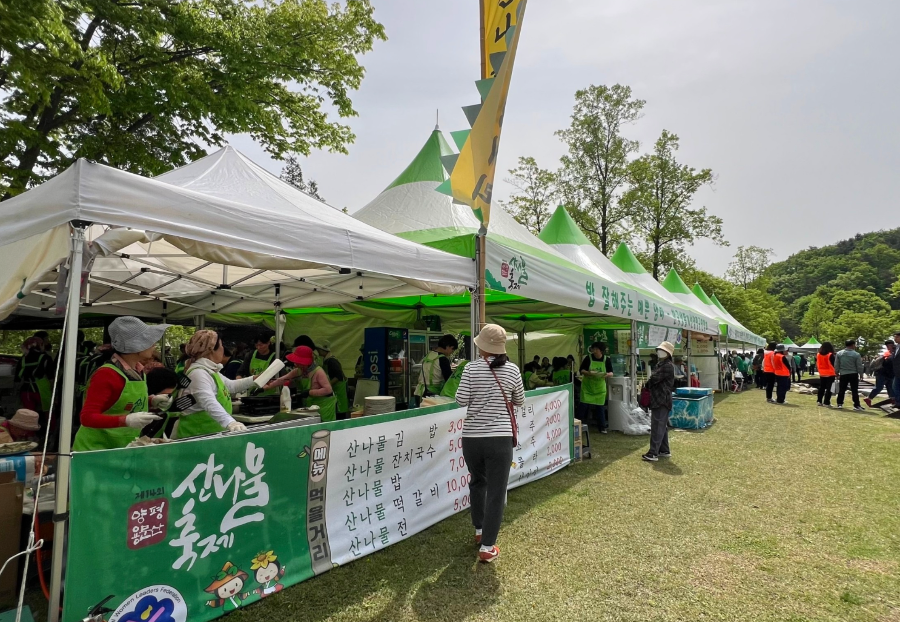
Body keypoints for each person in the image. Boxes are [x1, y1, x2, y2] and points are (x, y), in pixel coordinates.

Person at [455, 324, 524, 563]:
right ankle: (488, 546)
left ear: (482, 346)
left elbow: (460, 400)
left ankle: (478, 531)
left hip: (472, 437)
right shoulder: (513, 370)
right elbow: (520, 400)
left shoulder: (470, 369)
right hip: (500, 439)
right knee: (496, 491)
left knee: (477, 482)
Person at [73, 317, 169, 451]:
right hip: (95, 450)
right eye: (148, 340)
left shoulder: (138, 370)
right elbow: (87, 417)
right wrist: (126, 421)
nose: (154, 344)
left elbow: (120, 401)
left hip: (121, 447)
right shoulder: (106, 374)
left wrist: (152, 400)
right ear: (135, 345)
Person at [173, 330, 258, 438]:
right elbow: (208, 401)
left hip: (210, 437)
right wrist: (230, 422)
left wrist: (255, 379)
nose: (223, 350)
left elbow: (231, 386)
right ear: (212, 350)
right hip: (196, 438)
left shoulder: (210, 371)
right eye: (221, 346)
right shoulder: (198, 373)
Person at [267, 346, 336, 422]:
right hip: (311, 406)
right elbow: (283, 379)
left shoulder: (318, 372)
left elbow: (328, 390)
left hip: (324, 406)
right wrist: (266, 387)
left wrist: (309, 392)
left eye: (299, 362)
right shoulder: (299, 371)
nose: (296, 364)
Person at [642, 341, 675, 462]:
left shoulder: (666, 366)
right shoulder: (662, 364)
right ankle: (664, 450)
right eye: (659, 350)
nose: (659, 352)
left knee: (657, 426)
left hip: (661, 399)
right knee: (662, 425)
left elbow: (653, 379)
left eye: (663, 350)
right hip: (660, 399)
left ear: (668, 353)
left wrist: (647, 384)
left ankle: (653, 453)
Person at [16, 336, 55, 419]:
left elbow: (17, 378)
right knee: (49, 412)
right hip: (42, 389)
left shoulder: (22, 359)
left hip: (26, 390)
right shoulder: (45, 357)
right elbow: (51, 376)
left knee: (29, 415)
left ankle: (29, 432)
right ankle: (51, 431)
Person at [579, 342, 613, 434]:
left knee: (600, 408)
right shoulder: (588, 358)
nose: (594, 351)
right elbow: (581, 370)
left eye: (596, 349)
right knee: (583, 407)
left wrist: (606, 375)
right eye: (593, 349)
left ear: (601, 351)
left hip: (599, 388)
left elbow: (611, 373)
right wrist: (589, 373)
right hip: (587, 387)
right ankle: (579, 426)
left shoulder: (606, 360)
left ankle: (602, 427)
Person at [415, 334, 458, 399]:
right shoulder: (443, 359)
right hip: (431, 394)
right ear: (447, 346)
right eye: (452, 349)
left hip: (419, 392)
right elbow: (449, 379)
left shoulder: (429, 355)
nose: (452, 352)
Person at [317, 341, 350, 420]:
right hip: (335, 389)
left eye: (319, 350)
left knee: (340, 412)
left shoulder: (332, 361)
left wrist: (327, 385)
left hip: (339, 390)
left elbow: (338, 376)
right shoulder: (327, 360)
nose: (318, 351)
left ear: (323, 350)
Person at [834, 339, 864, 411]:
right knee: (854, 390)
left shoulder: (839, 353)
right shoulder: (856, 354)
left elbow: (836, 364)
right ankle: (856, 405)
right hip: (853, 374)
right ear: (853, 345)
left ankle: (839, 403)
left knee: (842, 389)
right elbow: (859, 365)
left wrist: (836, 372)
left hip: (843, 373)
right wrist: (861, 374)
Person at [864, 340, 895, 408]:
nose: (888, 347)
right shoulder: (888, 354)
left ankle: (893, 400)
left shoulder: (892, 353)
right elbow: (889, 363)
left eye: (889, 346)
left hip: (889, 374)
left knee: (890, 388)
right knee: (879, 387)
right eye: (887, 346)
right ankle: (869, 398)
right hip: (882, 373)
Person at [816, 342, 836, 408]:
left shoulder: (818, 354)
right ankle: (826, 402)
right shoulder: (830, 355)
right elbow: (834, 364)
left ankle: (819, 401)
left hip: (822, 373)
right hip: (830, 373)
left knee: (821, 387)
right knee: (829, 388)